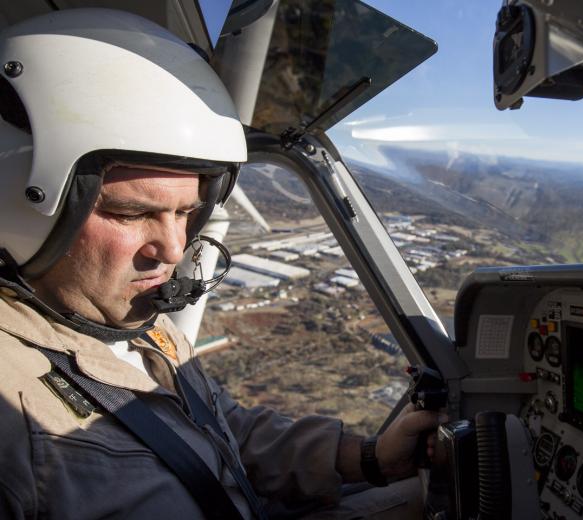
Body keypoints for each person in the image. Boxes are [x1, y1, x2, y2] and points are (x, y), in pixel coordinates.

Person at [0, 8, 441, 519]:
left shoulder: (143, 326)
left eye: (188, 212)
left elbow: (219, 428)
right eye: (131, 212)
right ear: (21, 202)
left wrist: (369, 457)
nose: (172, 248)